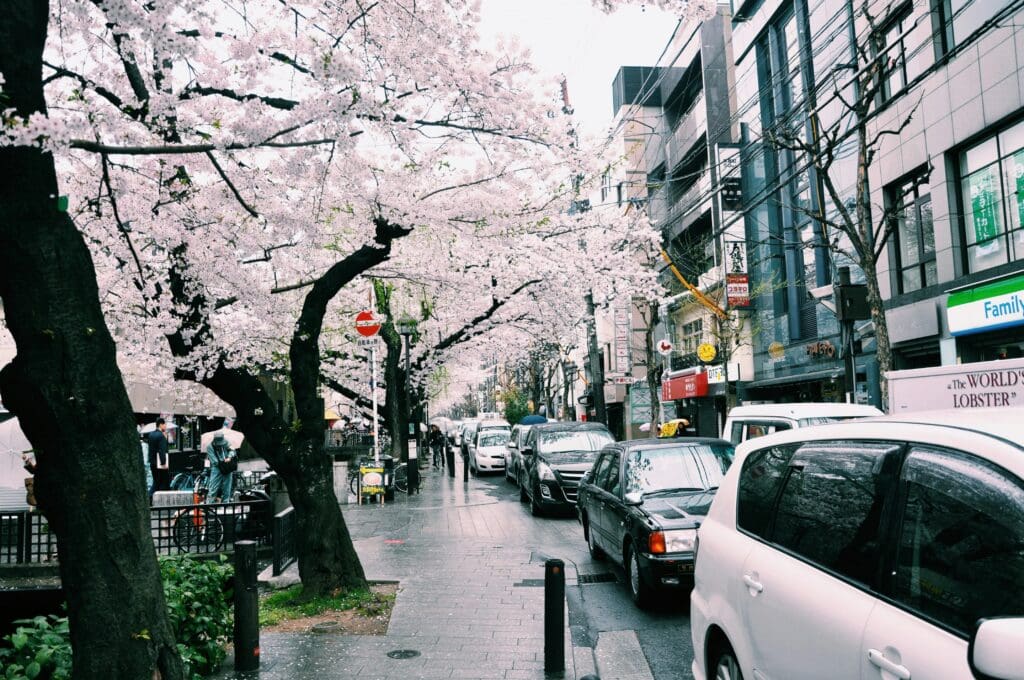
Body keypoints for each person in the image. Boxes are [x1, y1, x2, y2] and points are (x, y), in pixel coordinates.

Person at [206, 432, 236, 503]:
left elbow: (233, 450)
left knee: (227, 487)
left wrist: (229, 457)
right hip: (217, 468)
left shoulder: (226, 443)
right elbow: (215, 461)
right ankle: (210, 504)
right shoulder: (210, 447)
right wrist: (224, 461)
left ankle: (226, 503)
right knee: (213, 487)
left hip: (227, 466)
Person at [147, 418, 170, 498]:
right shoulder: (161, 436)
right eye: (165, 424)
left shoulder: (151, 435)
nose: (166, 426)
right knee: (163, 482)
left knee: (156, 481)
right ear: (161, 424)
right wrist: (164, 463)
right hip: (160, 463)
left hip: (152, 462)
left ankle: (151, 498)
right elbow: (162, 450)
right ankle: (150, 497)